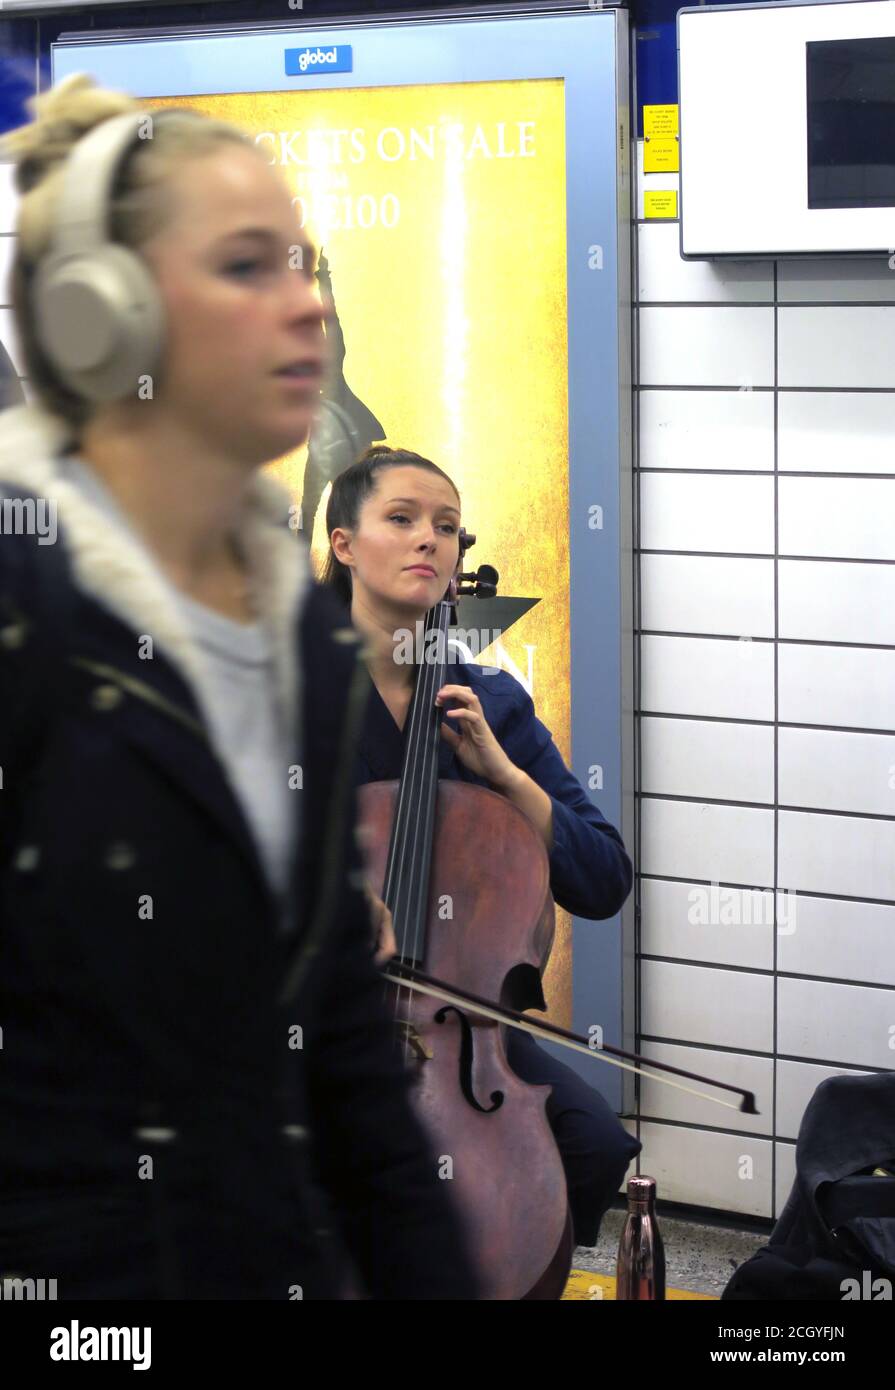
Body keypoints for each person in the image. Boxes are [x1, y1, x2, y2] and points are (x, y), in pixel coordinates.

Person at [0, 74, 480, 1299]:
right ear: (101, 317)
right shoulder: (24, 610)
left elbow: (339, 1058)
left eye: (303, 264)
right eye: (246, 267)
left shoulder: (294, 644)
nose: (305, 305)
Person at [321, 445, 642, 1248]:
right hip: (315, 1018)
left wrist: (506, 778)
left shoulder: (488, 702)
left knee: (591, 1145)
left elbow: (602, 880)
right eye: (401, 520)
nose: (430, 540)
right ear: (343, 544)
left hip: (462, 1030)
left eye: (447, 527)